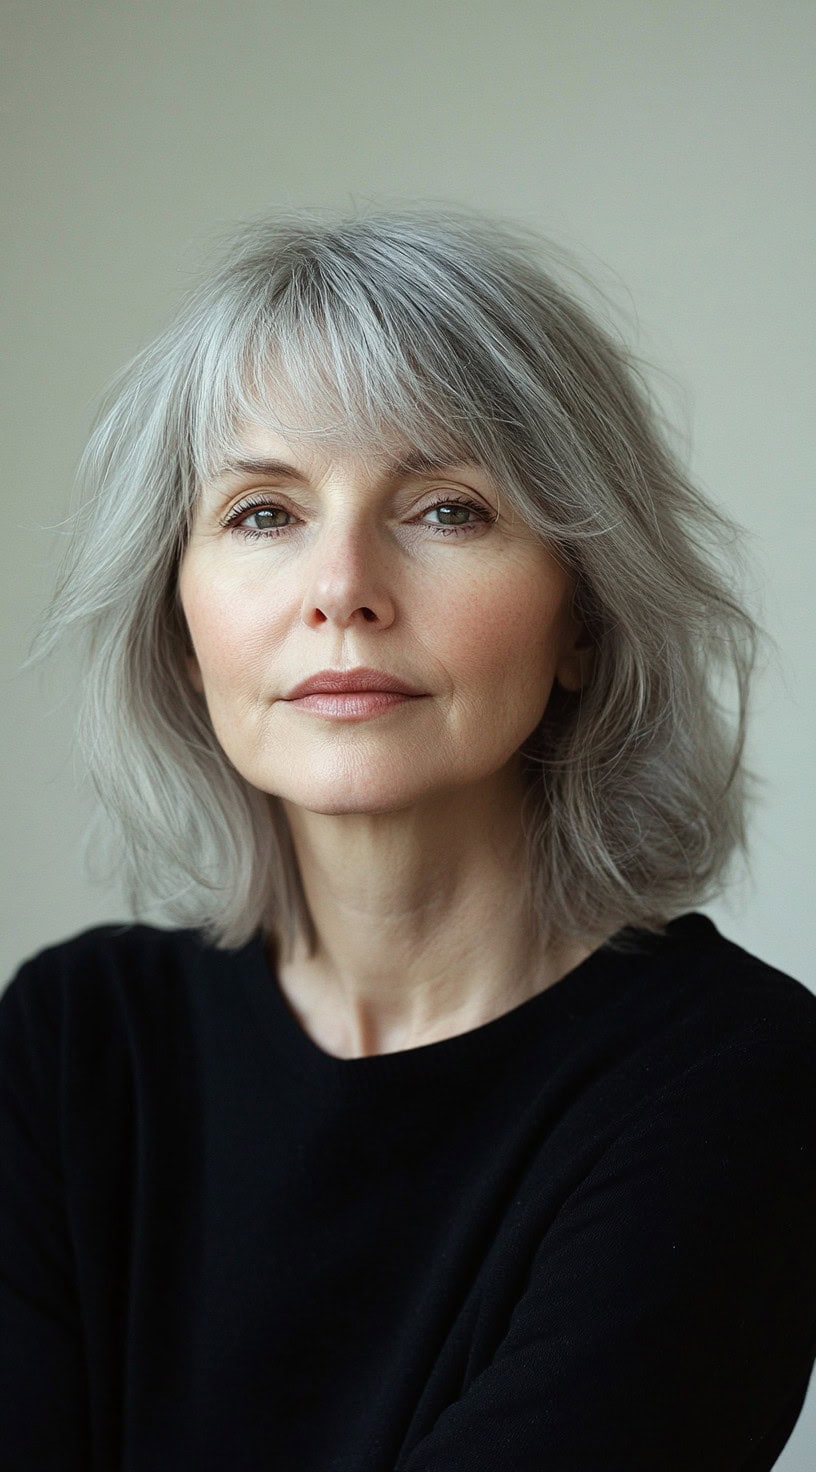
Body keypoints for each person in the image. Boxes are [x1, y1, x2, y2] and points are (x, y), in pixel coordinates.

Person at [2, 203, 814, 1471]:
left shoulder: (739, 1079)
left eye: (445, 507)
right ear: (179, 619)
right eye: (264, 513)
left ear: (585, 617)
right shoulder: (70, 1042)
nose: (343, 585)